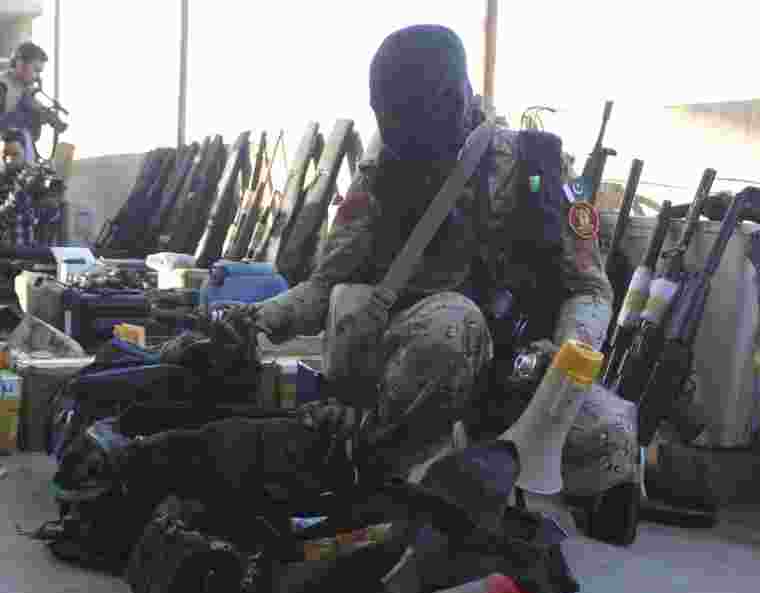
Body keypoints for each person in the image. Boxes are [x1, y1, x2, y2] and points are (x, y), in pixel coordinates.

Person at [224, 24, 640, 543]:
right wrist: (254, 322)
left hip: (518, 367)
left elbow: (590, 290)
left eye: (416, 108)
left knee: (608, 448)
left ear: (458, 97)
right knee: (448, 325)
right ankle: (383, 480)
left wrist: (562, 358)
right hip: (413, 367)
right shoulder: (380, 180)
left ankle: (491, 460)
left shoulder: (535, 166)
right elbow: (324, 287)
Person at [0, 41, 66, 159]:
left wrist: (46, 116)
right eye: (35, 70)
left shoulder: (25, 89)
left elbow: (34, 107)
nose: (37, 76)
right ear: (19, 63)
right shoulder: (3, 86)